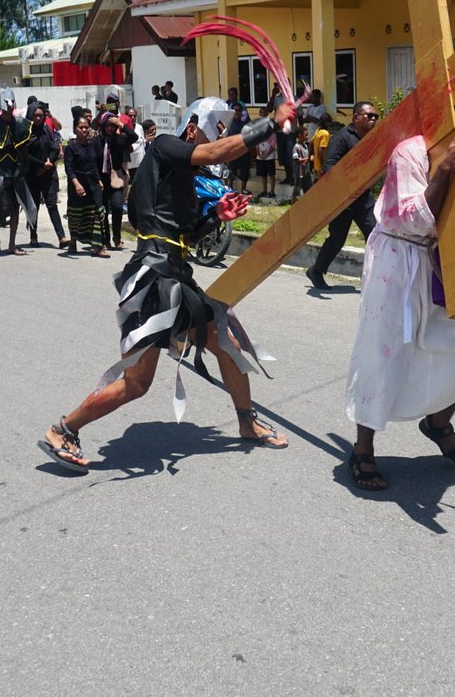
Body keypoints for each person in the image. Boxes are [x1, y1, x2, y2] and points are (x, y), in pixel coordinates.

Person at [38, 100, 296, 472]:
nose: (220, 138)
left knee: (227, 342)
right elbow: (216, 152)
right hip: (155, 276)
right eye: (215, 128)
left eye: (224, 130)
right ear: (192, 127)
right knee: (137, 383)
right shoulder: (164, 147)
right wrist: (269, 123)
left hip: (176, 273)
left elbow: (184, 234)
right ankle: (63, 429)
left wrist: (215, 216)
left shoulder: (180, 179)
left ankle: (246, 422)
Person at [345, 96, 455, 490]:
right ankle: (363, 449)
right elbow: (410, 218)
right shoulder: (411, 153)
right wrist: (442, 173)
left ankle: (438, 423)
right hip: (397, 260)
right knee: (383, 353)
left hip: (442, 266)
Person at [306, 102, 380, 290]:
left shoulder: (371, 138)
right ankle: (316, 271)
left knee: (376, 237)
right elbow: (329, 166)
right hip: (344, 200)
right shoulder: (341, 138)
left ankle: (377, 280)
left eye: (375, 116)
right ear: (356, 117)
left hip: (364, 199)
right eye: (368, 115)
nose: (373, 119)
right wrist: (348, 185)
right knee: (337, 239)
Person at [0, 98, 34, 256]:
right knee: (2, 207)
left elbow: (23, 149)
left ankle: (12, 244)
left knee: (15, 209)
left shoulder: (19, 123)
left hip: (15, 170)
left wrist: (24, 167)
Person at [23, 102, 68, 249]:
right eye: (35, 115)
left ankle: (61, 237)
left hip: (48, 174)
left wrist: (49, 162)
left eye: (40, 116)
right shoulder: (25, 132)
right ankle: (33, 235)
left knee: (51, 204)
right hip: (32, 174)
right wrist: (42, 165)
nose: (37, 118)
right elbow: (24, 154)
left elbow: (54, 147)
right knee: (33, 206)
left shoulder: (46, 129)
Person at [63, 113, 107, 256]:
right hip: (77, 184)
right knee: (76, 214)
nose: (84, 130)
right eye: (81, 127)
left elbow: (94, 165)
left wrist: (99, 180)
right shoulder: (70, 147)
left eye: (86, 127)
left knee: (97, 212)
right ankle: (73, 241)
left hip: (92, 183)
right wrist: (77, 184)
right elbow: (68, 168)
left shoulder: (93, 144)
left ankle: (97, 247)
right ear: (75, 129)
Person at [98, 112, 139, 250]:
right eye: (106, 126)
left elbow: (134, 136)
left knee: (117, 206)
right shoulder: (97, 141)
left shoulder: (120, 139)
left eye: (111, 126)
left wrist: (120, 124)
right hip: (101, 179)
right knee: (102, 210)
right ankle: (105, 239)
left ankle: (117, 237)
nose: (109, 128)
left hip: (116, 178)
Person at [225, 92, 251, 194]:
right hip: (232, 150)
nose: (237, 112)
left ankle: (243, 189)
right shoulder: (228, 123)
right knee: (231, 169)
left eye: (239, 110)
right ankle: (230, 188)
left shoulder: (246, 122)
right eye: (235, 110)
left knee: (245, 169)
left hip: (244, 149)